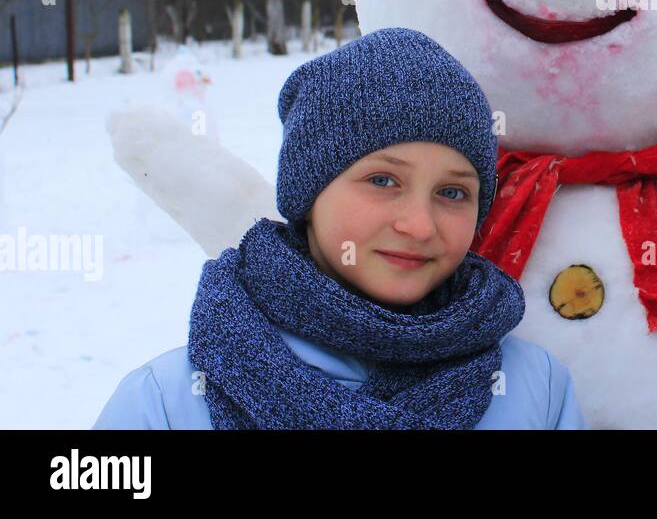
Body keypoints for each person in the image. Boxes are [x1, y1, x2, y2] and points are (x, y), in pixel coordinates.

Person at [94, 27, 585, 429]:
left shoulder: (536, 391)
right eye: (382, 180)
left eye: (452, 193)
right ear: (307, 194)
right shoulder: (166, 405)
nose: (418, 225)